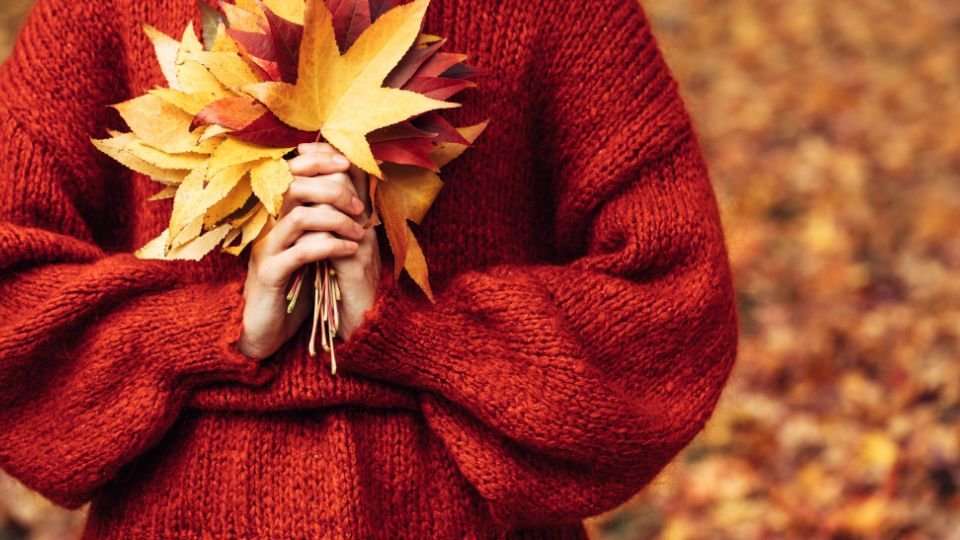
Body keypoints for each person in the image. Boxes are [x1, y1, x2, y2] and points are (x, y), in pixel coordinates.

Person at [0, 0, 740, 537]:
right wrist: (216, 330)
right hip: (182, 512)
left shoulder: (562, 15)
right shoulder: (99, 12)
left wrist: (425, 336)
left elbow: (674, 300)